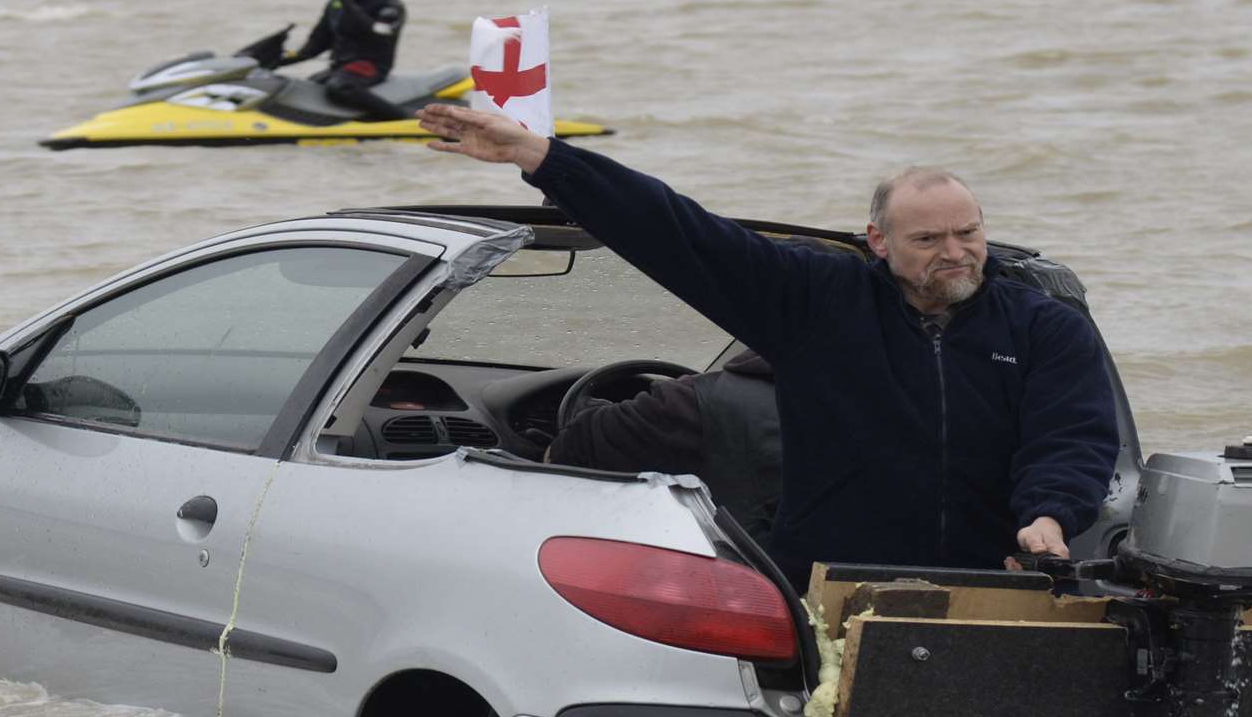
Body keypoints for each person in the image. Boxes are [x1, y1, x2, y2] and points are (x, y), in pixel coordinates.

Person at [417, 103, 1120, 588]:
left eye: (967, 233)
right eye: (929, 239)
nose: (956, 253)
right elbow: (680, 233)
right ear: (879, 241)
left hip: (989, 576)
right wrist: (538, 156)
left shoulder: (1041, 327)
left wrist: (1047, 519)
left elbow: (1072, 436)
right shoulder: (818, 300)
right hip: (827, 580)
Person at [547, 350, 782, 540]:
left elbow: (575, 446)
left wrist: (539, 450)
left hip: (730, 582)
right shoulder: (805, 403)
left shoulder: (696, 403)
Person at [275, 0, 409, 120]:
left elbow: (379, 33)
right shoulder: (335, 5)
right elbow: (316, 44)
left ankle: (405, 119)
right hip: (341, 66)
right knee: (307, 86)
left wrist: (348, 4)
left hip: (371, 65)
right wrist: (278, 61)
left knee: (339, 87)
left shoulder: (388, 5)